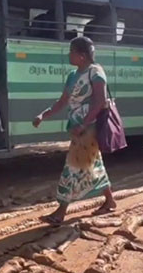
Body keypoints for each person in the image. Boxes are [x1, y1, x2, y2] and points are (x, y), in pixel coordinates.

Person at [32, 36, 116, 226]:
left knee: (72, 167)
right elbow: (62, 101)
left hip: (88, 129)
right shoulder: (72, 75)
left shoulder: (96, 72)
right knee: (95, 164)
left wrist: (85, 124)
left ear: (82, 55)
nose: (69, 54)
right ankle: (110, 201)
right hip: (77, 128)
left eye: (72, 51)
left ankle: (60, 212)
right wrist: (43, 115)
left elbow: (100, 102)